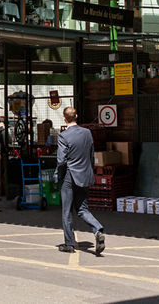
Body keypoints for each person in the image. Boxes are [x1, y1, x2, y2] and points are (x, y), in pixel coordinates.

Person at [56, 106, 104, 255]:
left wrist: (58, 175)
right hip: (84, 175)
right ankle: (97, 229)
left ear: (64, 119)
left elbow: (61, 160)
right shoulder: (87, 133)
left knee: (67, 211)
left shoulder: (63, 136)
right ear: (76, 116)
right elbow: (91, 155)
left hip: (69, 176)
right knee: (82, 209)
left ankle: (69, 243)